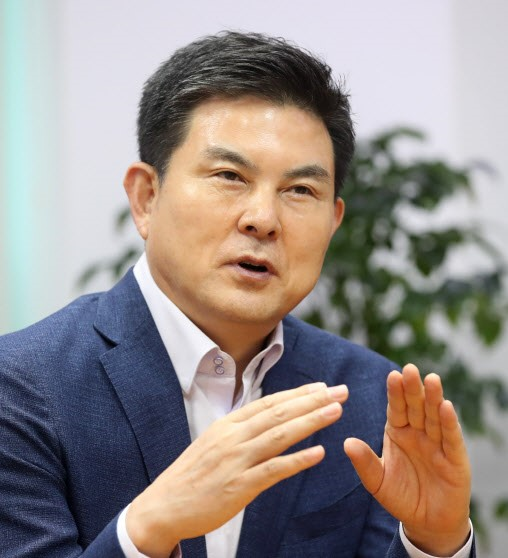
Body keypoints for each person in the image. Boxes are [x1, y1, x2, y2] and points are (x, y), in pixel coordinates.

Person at [0, 31, 475, 558]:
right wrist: (146, 529)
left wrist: (434, 542)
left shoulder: (367, 393)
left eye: (300, 190)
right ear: (146, 198)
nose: (263, 219)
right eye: (229, 175)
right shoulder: (19, 386)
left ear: (333, 222)